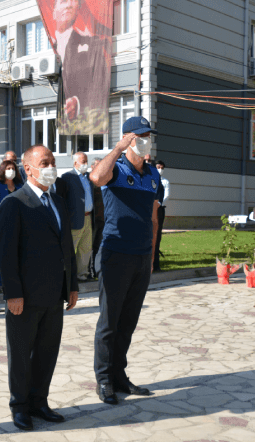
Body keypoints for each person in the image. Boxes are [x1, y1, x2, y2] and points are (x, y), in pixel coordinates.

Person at [0, 145, 79, 431]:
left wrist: (72, 285)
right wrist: (12, 293)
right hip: (25, 296)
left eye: (53, 162)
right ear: (27, 168)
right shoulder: (13, 203)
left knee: (47, 352)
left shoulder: (58, 202)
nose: (51, 167)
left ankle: (39, 401)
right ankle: (19, 406)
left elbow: (67, 247)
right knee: (21, 353)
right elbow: (4, 254)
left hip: (55, 293)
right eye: (44, 162)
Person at [89, 117, 162, 404]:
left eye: (148, 135)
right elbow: (96, 178)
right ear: (129, 138)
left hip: (141, 256)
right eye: (140, 135)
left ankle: (119, 376)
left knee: (128, 321)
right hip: (116, 254)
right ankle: (104, 379)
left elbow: (153, 217)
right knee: (109, 322)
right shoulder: (116, 169)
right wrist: (119, 146)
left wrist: (152, 254)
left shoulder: (153, 174)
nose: (146, 140)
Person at [50, 0, 108, 127]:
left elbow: (99, 85)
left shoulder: (92, 44)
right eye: (64, 0)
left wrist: (78, 102)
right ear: (54, 11)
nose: (69, 5)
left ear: (79, 8)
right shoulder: (50, 45)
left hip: (83, 121)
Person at [61, 152, 94, 280]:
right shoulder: (67, 177)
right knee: (71, 249)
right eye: (83, 161)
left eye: (86, 161)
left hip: (88, 218)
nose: (85, 164)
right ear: (75, 163)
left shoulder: (89, 178)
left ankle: (82, 275)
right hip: (74, 219)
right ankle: (66, 276)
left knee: (85, 249)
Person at [0, 160, 20, 290]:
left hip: (18, 226)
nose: (11, 171)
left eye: (13, 168)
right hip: (1, 226)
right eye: (8, 168)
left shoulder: (20, 186)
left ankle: (15, 280)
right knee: (1, 256)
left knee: (16, 255)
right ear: (2, 170)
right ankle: (1, 282)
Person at [153, 160, 170, 272]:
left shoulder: (165, 181)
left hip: (159, 210)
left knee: (157, 236)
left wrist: (158, 204)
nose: (160, 169)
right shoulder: (150, 179)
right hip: (149, 209)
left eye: (162, 167)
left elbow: (166, 195)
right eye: (158, 167)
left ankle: (156, 264)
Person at [89, 157, 104, 279]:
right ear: (92, 167)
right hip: (91, 219)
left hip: (102, 219)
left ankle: (97, 269)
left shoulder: (104, 180)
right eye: (97, 165)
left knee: (99, 246)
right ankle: (89, 271)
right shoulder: (88, 180)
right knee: (90, 247)